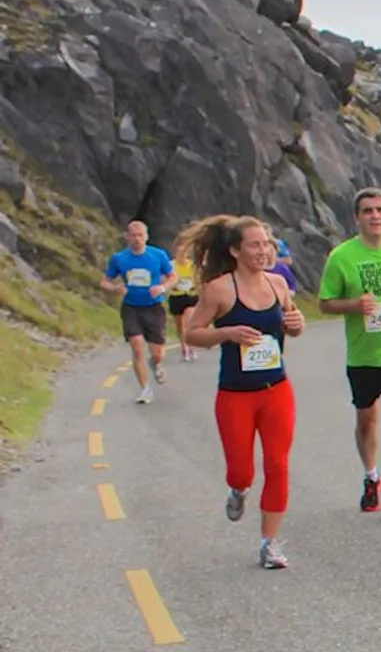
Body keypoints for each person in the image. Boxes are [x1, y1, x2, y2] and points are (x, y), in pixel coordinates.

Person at [177, 215, 305, 569]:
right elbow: (192, 333)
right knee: (241, 470)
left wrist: (296, 324)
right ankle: (238, 489)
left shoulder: (279, 284)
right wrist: (226, 334)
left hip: (276, 389)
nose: (264, 251)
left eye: (268, 244)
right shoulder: (219, 289)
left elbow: (293, 324)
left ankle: (269, 544)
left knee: (278, 465)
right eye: (255, 245)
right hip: (235, 394)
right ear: (235, 250)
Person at [318, 188, 381, 517]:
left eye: (380, 210)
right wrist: (353, 305)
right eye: (367, 211)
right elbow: (324, 303)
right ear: (356, 218)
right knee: (367, 420)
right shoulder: (341, 257)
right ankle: (371, 477)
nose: (375, 216)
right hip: (363, 353)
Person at [100, 220, 176, 404]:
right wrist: (114, 289)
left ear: (146, 237)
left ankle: (156, 364)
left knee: (157, 352)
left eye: (140, 235)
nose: (136, 239)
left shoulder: (157, 255)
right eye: (133, 235)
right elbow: (104, 281)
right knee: (136, 345)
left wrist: (162, 288)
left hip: (154, 307)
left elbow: (173, 276)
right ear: (127, 237)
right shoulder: (119, 259)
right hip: (131, 307)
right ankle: (145, 389)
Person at [167, 248, 199, 361]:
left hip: (190, 297)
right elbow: (165, 279)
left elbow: (198, 279)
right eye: (179, 252)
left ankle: (189, 348)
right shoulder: (170, 265)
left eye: (184, 252)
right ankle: (184, 345)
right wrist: (170, 284)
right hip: (176, 297)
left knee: (187, 322)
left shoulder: (192, 266)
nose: (182, 255)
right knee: (180, 325)